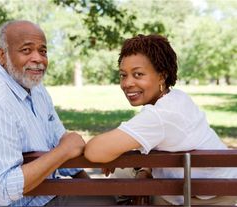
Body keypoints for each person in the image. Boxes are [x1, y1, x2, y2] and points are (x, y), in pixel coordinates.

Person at [0, 20, 116, 206]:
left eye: (43, 51)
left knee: (109, 198)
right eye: (26, 50)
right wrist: (64, 151)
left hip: (40, 194)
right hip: (15, 202)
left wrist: (90, 181)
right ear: (2, 55)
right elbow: (3, 190)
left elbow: (60, 140)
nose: (38, 58)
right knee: (110, 202)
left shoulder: (33, 86)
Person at [84, 34, 237, 205]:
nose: (127, 83)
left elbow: (94, 151)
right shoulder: (176, 98)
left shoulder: (160, 115)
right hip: (219, 186)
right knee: (121, 176)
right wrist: (142, 167)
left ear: (162, 76)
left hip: (203, 199)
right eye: (123, 75)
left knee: (111, 187)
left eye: (138, 74)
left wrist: (112, 154)